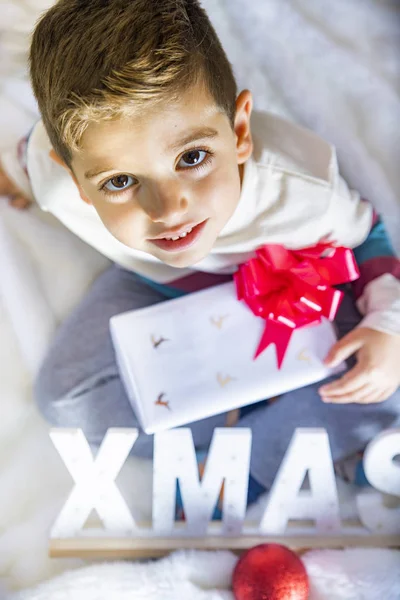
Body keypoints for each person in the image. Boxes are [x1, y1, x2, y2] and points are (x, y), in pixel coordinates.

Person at [1, 0, 399, 509]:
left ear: (238, 133)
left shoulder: (301, 190)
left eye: (192, 158)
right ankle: (240, 420)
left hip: (287, 285)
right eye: (120, 181)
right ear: (75, 178)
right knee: (65, 399)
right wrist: (17, 180)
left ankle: (252, 461)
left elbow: (369, 238)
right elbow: (31, 159)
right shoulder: (49, 177)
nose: (170, 211)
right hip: (157, 280)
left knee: (385, 383)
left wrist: (388, 323)